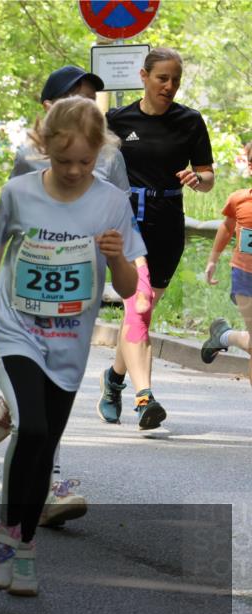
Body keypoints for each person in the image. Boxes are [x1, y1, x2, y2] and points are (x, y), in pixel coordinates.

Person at [0, 97, 142, 596]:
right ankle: (4, 539)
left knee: (44, 445)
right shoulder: (18, 193)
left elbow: (130, 288)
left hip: (69, 340)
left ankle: (26, 548)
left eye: (85, 162)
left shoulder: (111, 202)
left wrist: (116, 260)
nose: (72, 170)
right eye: (62, 159)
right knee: (35, 425)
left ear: (100, 155)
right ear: (42, 147)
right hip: (14, 326)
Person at [98, 48, 215, 430]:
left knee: (141, 311)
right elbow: (96, 168)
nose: (170, 86)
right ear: (144, 76)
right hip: (127, 220)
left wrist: (199, 180)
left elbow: (207, 174)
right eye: (163, 78)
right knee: (140, 303)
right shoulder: (117, 119)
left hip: (167, 223)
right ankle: (144, 397)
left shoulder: (190, 121)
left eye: (176, 80)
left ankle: (113, 380)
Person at [201, 175, 252, 385]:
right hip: (245, 277)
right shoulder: (239, 199)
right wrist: (212, 260)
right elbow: (227, 226)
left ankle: (224, 335)